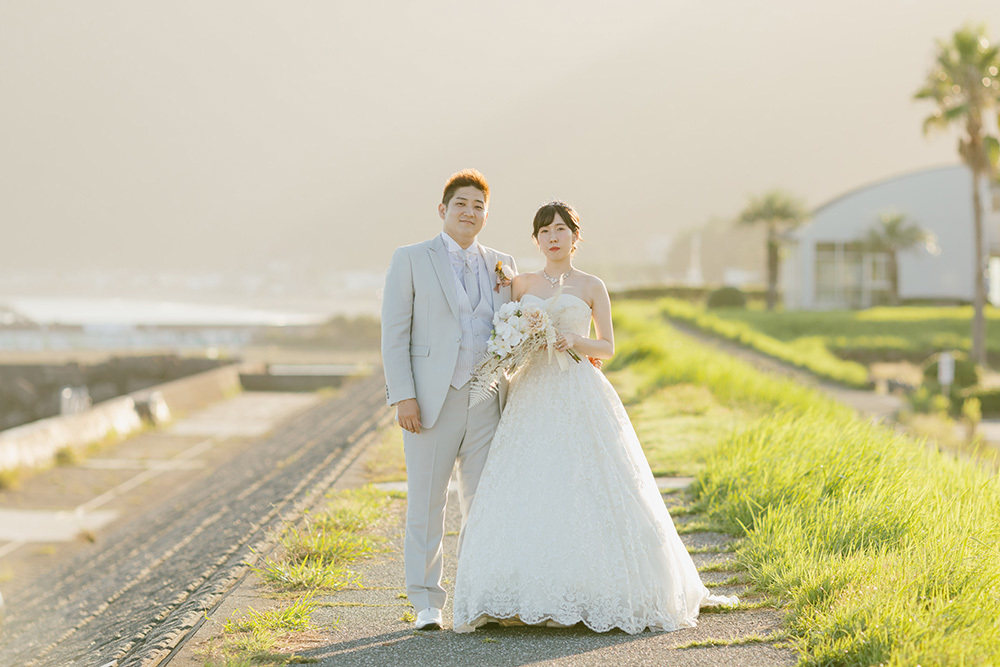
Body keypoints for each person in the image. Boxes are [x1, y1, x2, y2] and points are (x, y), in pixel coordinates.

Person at [452, 201, 737, 634]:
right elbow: (500, 335)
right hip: (531, 389)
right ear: (535, 240)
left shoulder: (591, 285)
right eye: (545, 230)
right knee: (531, 480)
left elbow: (607, 347)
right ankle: (519, 590)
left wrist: (573, 340)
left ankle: (595, 588)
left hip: (577, 387)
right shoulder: (519, 283)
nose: (553, 237)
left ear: (575, 237)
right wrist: (519, 342)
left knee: (589, 478)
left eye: (561, 229)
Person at [381, 169, 517, 631]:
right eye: (461, 203)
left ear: (486, 215)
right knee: (427, 503)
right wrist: (404, 396)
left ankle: (481, 596)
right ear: (443, 209)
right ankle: (426, 602)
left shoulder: (502, 263)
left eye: (479, 206)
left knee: (483, 502)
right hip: (430, 401)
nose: (470, 212)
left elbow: (510, 329)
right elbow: (395, 332)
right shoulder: (411, 258)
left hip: (487, 398)